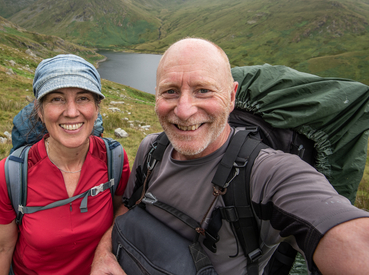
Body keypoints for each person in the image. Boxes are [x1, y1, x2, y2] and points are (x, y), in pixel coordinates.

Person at [90, 38, 369, 275]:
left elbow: (347, 235)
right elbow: (128, 207)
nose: (184, 110)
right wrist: (103, 254)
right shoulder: (151, 149)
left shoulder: (268, 173)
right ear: (156, 97)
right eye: (170, 91)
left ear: (232, 96)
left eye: (203, 90)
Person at [0, 54, 131, 275]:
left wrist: (104, 253)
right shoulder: (9, 176)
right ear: (40, 111)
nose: (72, 112)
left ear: (96, 108)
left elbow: (121, 211)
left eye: (83, 98)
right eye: (56, 99)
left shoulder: (114, 159)